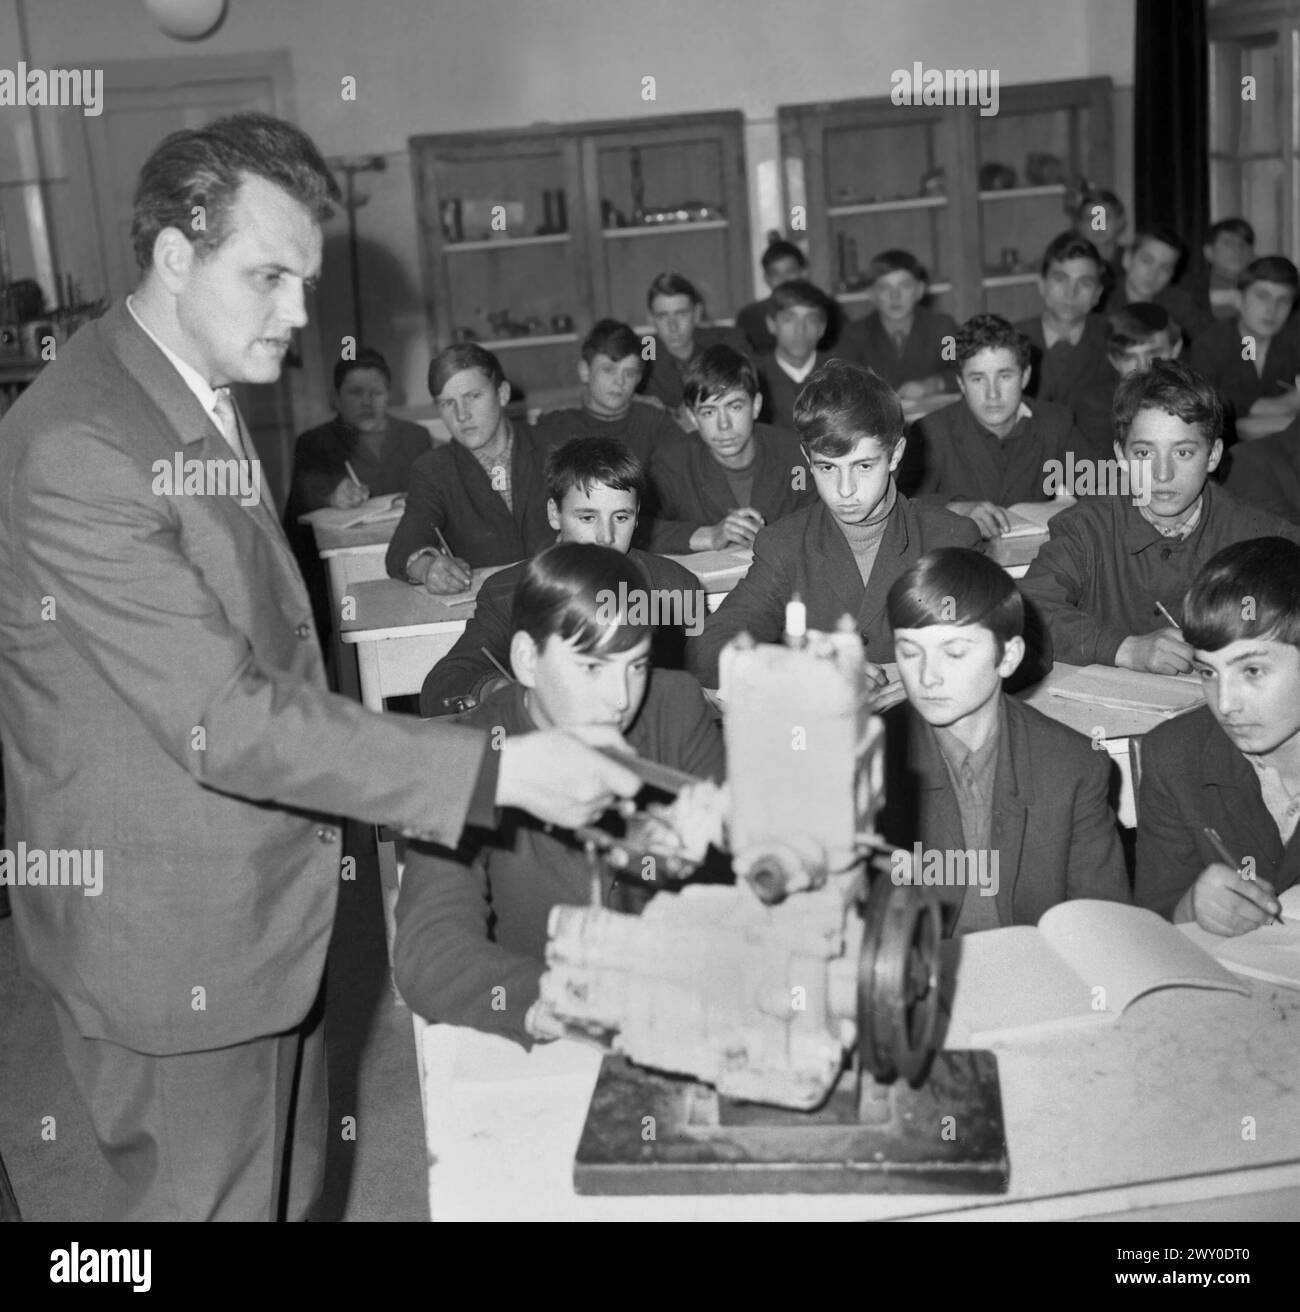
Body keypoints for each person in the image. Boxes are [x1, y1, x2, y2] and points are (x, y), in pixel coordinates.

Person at [0, 112, 643, 1222]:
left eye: (308, 279)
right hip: (172, 941)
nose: (304, 318)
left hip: (255, 914)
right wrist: (499, 771)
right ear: (172, 257)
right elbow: (226, 714)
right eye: (269, 277)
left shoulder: (179, 388)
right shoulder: (82, 444)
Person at [394, 543, 726, 1047]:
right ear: (528, 659)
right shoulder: (471, 752)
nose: (619, 699)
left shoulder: (676, 705)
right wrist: (551, 1000)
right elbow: (428, 952)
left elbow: (735, 875)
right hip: (545, 1026)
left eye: (635, 665)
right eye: (592, 667)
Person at [687, 358, 981, 690]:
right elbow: (708, 649)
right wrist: (796, 667)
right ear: (806, 457)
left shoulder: (951, 539)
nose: (845, 490)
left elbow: (993, 647)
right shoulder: (785, 545)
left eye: (864, 466)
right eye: (827, 468)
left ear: (896, 454)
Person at [879, 548, 1128, 933]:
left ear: (1008, 656)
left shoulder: (1073, 766)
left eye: (955, 652)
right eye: (910, 653)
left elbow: (1106, 928)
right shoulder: (869, 760)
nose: (927, 677)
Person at [1019, 359, 1300, 672]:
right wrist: (1125, 648)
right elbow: (1029, 610)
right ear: (1122, 458)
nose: (1163, 474)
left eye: (1182, 452)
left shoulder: (1262, 538)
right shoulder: (1085, 527)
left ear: (1213, 456)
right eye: (1144, 453)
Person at [420, 436, 703, 715]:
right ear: (554, 514)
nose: (606, 537)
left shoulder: (674, 587)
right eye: (587, 518)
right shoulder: (509, 592)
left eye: (621, 517)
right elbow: (444, 684)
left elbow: (710, 668)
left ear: (638, 515)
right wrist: (494, 690)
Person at [1135, 537, 1300, 931]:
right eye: (1208, 672)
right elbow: (1152, 922)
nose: (1225, 704)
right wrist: (1189, 908)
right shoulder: (1175, 755)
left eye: (1252, 671)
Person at [282, 347, 431, 645]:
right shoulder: (315, 442)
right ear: (336, 398)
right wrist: (329, 494)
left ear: (389, 394)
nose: (367, 401)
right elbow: (304, 489)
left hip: (408, 562)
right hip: (343, 574)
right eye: (355, 392)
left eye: (376, 392)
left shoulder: (416, 437)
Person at [385, 343, 556, 593]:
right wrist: (428, 568)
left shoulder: (553, 449)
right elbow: (403, 548)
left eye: (473, 396)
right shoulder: (433, 470)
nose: (462, 415)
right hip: (489, 615)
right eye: (447, 403)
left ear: (503, 394)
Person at [902, 314, 1082, 537]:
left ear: (1025, 376)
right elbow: (899, 505)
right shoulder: (930, 432)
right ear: (961, 383)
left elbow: (1100, 486)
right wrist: (954, 509)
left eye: (1004, 376)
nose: (992, 394)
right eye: (978, 379)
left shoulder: (1055, 422)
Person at [648, 343, 814, 553]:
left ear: (756, 406)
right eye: (709, 412)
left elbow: (825, 518)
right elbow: (636, 526)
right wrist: (708, 536)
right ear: (692, 416)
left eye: (735, 407)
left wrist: (779, 538)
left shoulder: (794, 455)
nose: (723, 425)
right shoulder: (672, 463)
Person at [529, 318, 686, 466]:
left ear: (638, 378)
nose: (620, 381)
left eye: (629, 373)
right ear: (585, 371)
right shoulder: (554, 427)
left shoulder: (656, 425)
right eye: (608, 370)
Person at [1187, 255, 1300, 428]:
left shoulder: (1292, 339)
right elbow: (1216, 418)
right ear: (1239, 299)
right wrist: (1288, 404)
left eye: (1283, 301)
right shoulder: (1209, 345)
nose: (1272, 309)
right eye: (1262, 297)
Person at [836, 249, 957, 398]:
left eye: (904, 286)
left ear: (919, 290)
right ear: (871, 294)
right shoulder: (855, 335)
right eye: (884, 288)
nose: (895, 296)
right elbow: (844, 384)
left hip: (937, 416)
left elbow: (959, 370)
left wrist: (934, 384)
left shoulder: (942, 329)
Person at [1072, 303, 1182, 462]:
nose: (1143, 366)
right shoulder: (1096, 407)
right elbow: (1103, 474)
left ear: (1176, 349)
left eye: (1153, 354)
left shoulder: (1204, 401)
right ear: (1114, 361)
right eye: (1129, 357)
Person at [1015, 232, 1111, 411]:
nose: (1070, 293)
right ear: (1041, 284)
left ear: (1097, 294)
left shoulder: (1113, 340)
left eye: (1084, 283)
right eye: (1060, 279)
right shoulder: (1011, 339)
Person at [640, 272, 748, 419]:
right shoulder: (647, 347)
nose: (673, 326)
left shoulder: (726, 341)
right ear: (651, 319)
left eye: (681, 314)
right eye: (663, 316)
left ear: (697, 313)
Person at [753, 279, 843, 429]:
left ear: (822, 328)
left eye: (810, 320)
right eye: (789, 319)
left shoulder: (840, 375)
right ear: (771, 324)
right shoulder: (755, 376)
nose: (800, 329)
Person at [1109, 224, 1211, 341]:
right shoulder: (1101, 301)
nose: (1153, 273)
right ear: (1127, 259)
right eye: (1147, 261)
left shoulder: (1179, 303)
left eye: (1164, 268)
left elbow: (1213, 346)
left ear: (1172, 274)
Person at [735, 238, 830, 354]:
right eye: (775, 274)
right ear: (766, 278)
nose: (783, 279)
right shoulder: (750, 316)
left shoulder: (825, 308)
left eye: (789, 271)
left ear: (803, 272)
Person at [1180, 217, 1255, 324]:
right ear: (1209, 252)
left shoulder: (1264, 290)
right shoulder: (1187, 291)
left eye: (1243, 244)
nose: (1237, 250)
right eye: (1228, 243)